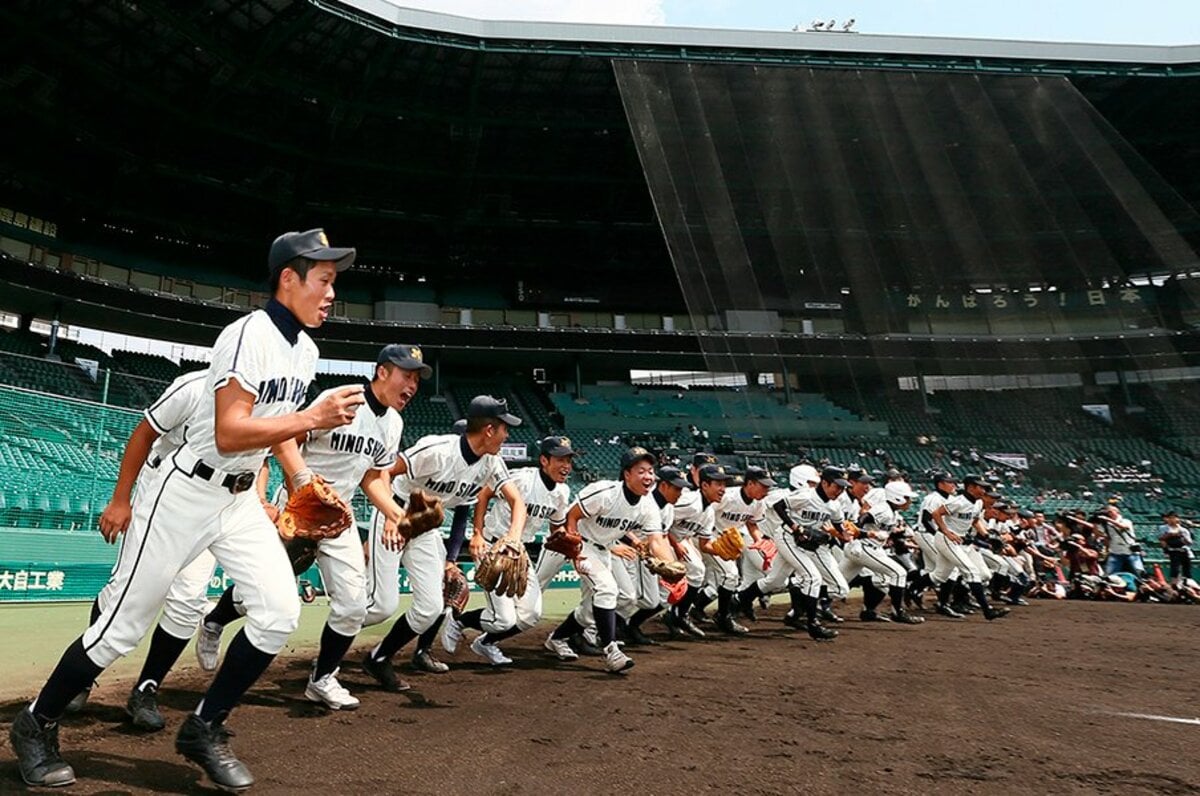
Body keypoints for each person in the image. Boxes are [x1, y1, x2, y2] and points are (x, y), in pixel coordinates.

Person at [10, 228, 365, 791]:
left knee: (276, 612)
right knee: (121, 629)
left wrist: (300, 474)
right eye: (323, 280)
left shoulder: (306, 349)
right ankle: (36, 723)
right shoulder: (247, 335)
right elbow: (229, 432)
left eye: (332, 283)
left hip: (239, 497)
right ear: (288, 278)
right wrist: (314, 419)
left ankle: (204, 728)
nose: (330, 294)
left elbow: (275, 428)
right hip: (183, 493)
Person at [193, 344, 430, 709]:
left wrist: (396, 514)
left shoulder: (393, 423)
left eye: (416, 379)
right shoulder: (342, 399)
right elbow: (285, 439)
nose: (412, 385)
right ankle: (214, 621)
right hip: (301, 508)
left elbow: (372, 478)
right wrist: (301, 486)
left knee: (352, 607)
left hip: (341, 516)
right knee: (255, 596)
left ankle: (322, 679)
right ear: (382, 372)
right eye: (407, 375)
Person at [360, 396, 525, 688]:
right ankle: (335, 639)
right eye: (503, 428)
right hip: (395, 513)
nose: (507, 434)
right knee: (380, 606)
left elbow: (517, 501)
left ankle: (379, 658)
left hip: (425, 526)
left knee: (431, 606)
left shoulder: (491, 463)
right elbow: (383, 469)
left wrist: (512, 536)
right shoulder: (437, 450)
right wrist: (389, 515)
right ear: (489, 429)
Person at [440, 435, 575, 665]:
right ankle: (458, 620)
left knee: (530, 615)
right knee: (503, 619)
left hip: (519, 553)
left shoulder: (562, 493)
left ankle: (485, 643)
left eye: (569, 460)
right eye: (560, 460)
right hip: (494, 547)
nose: (566, 466)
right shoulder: (522, 478)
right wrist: (478, 533)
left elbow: (556, 526)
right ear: (544, 460)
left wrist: (563, 537)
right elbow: (484, 494)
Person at [543, 446, 661, 673]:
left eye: (650, 471)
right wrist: (575, 549)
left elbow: (657, 540)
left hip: (604, 549)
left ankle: (557, 638)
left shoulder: (648, 505)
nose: (648, 476)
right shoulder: (605, 492)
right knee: (607, 589)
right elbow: (573, 515)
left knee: (589, 609)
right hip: (582, 544)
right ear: (627, 475)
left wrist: (668, 564)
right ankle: (611, 650)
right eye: (641, 471)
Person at [1096, 504, 1144, 578]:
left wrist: (1107, 519)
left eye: (1110, 511)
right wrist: (1096, 523)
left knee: (1138, 573)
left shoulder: (1126, 521)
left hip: (1130, 551)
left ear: (1117, 511)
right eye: (1107, 512)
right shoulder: (1105, 525)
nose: (1109, 513)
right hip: (1115, 552)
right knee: (1109, 575)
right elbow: (1101, 534)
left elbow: (1123, 527)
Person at [1158, 510, 1194, 586]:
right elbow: (1161, 539)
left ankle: (1187, 584)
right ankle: (1174, 585)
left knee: (1186, 569)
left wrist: (1182, 537)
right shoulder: (1163, 528)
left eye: (1174, 518)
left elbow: (1189, 542)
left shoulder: (1183, 529)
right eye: (1170, 518)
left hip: (1183, 550)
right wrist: (1170, 535)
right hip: (1172, 550)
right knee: (1175, 569)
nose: (1172, 520)